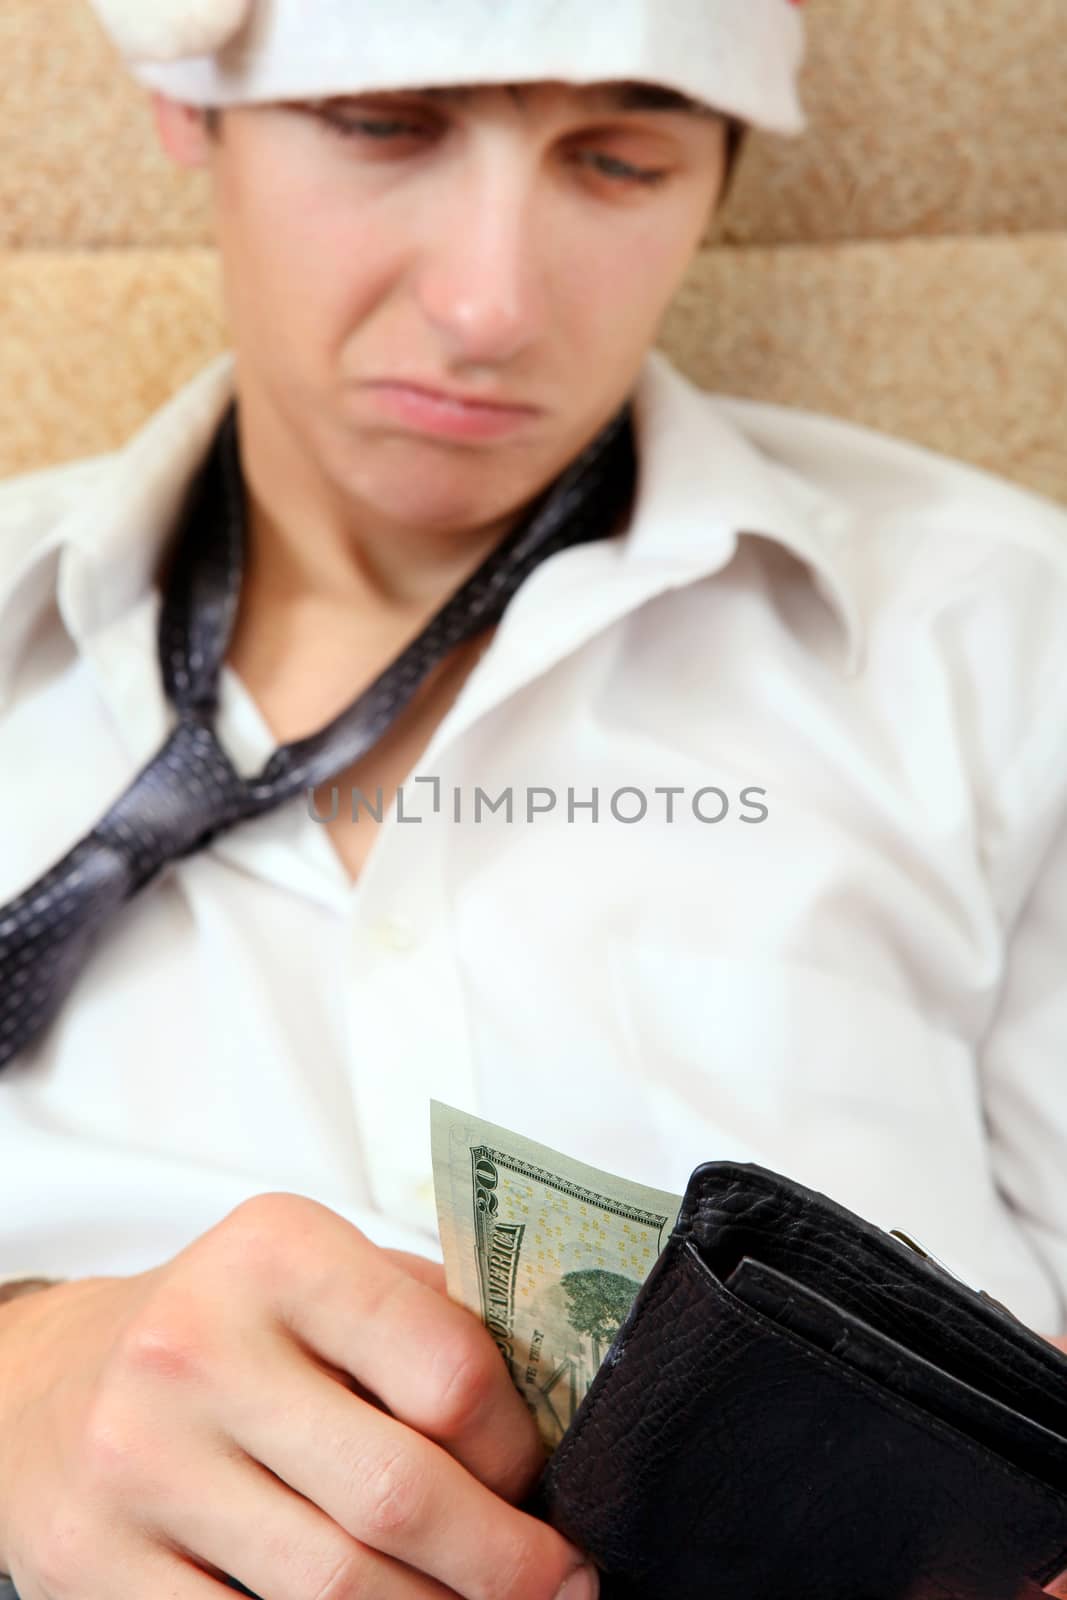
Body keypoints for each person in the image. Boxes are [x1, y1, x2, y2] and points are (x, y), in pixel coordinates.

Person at [1, 1, 1066, 1595]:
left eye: (620, 158)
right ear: (187, 110)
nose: (490, 305)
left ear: (721, 177)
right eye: (384, 126)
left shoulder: (1003, 632)